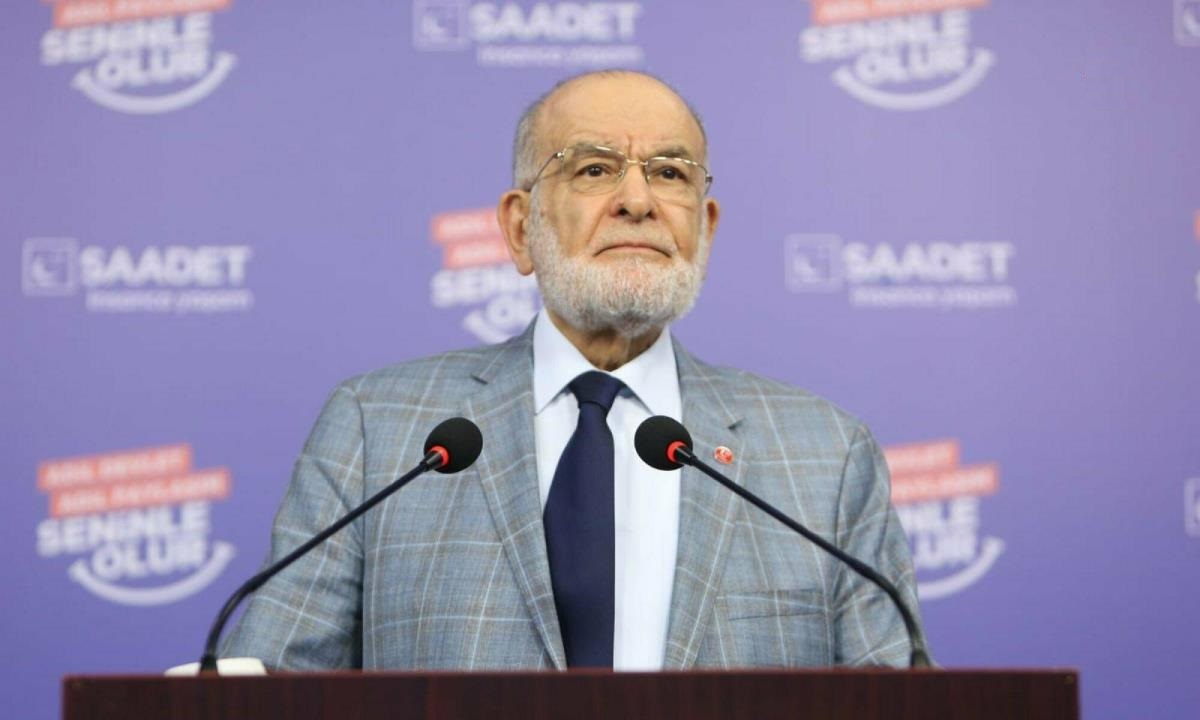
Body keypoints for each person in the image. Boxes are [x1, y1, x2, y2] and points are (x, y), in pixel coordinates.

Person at [222, 70, 927, 671]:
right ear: (520, 228)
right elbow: (272, 681)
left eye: (670, 173)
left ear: (705, 226)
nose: (638, 201)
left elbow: (896, 695)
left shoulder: (826, 456)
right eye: (593, 168)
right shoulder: (377, 428)